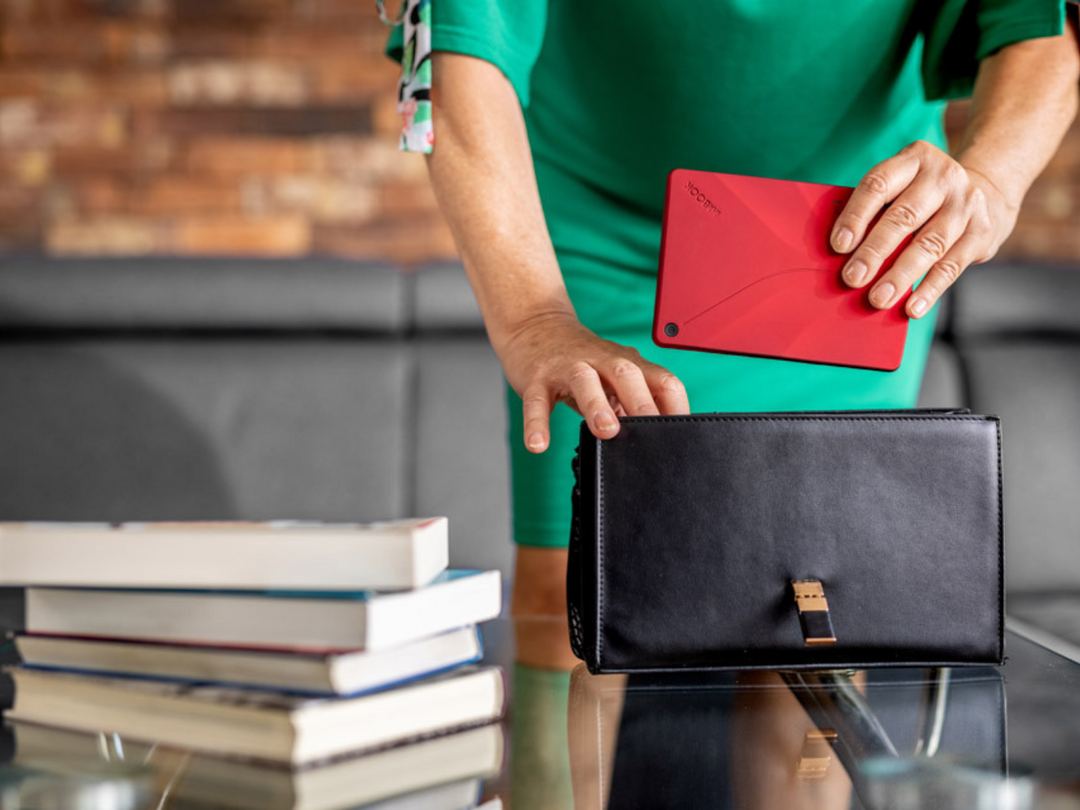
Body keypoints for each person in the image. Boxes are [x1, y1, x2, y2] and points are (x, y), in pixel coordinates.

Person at [388, 1, 1080, 620]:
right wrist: (535, 318)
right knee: (578, 594)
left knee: (810, 606)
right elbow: (458, 41)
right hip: (588, 233)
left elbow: (1039, 25)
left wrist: (990, 179)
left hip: (842, 238)